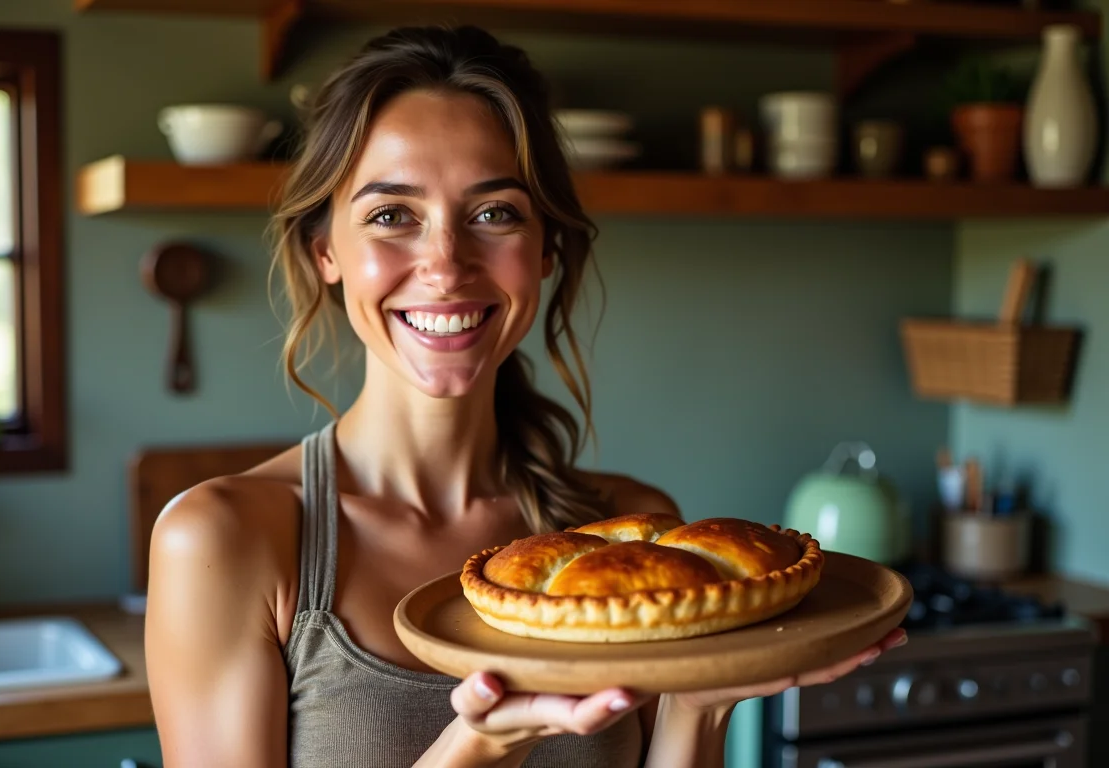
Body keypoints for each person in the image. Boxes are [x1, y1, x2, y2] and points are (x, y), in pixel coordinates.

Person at [144, 24, 907, 768]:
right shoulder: (226, 542)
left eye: (493, 213)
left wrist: (701, 704)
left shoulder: (636, 540)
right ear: (326, 254)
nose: (446, 264)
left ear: (544, 250)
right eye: (391, 216)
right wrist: (479, 745)